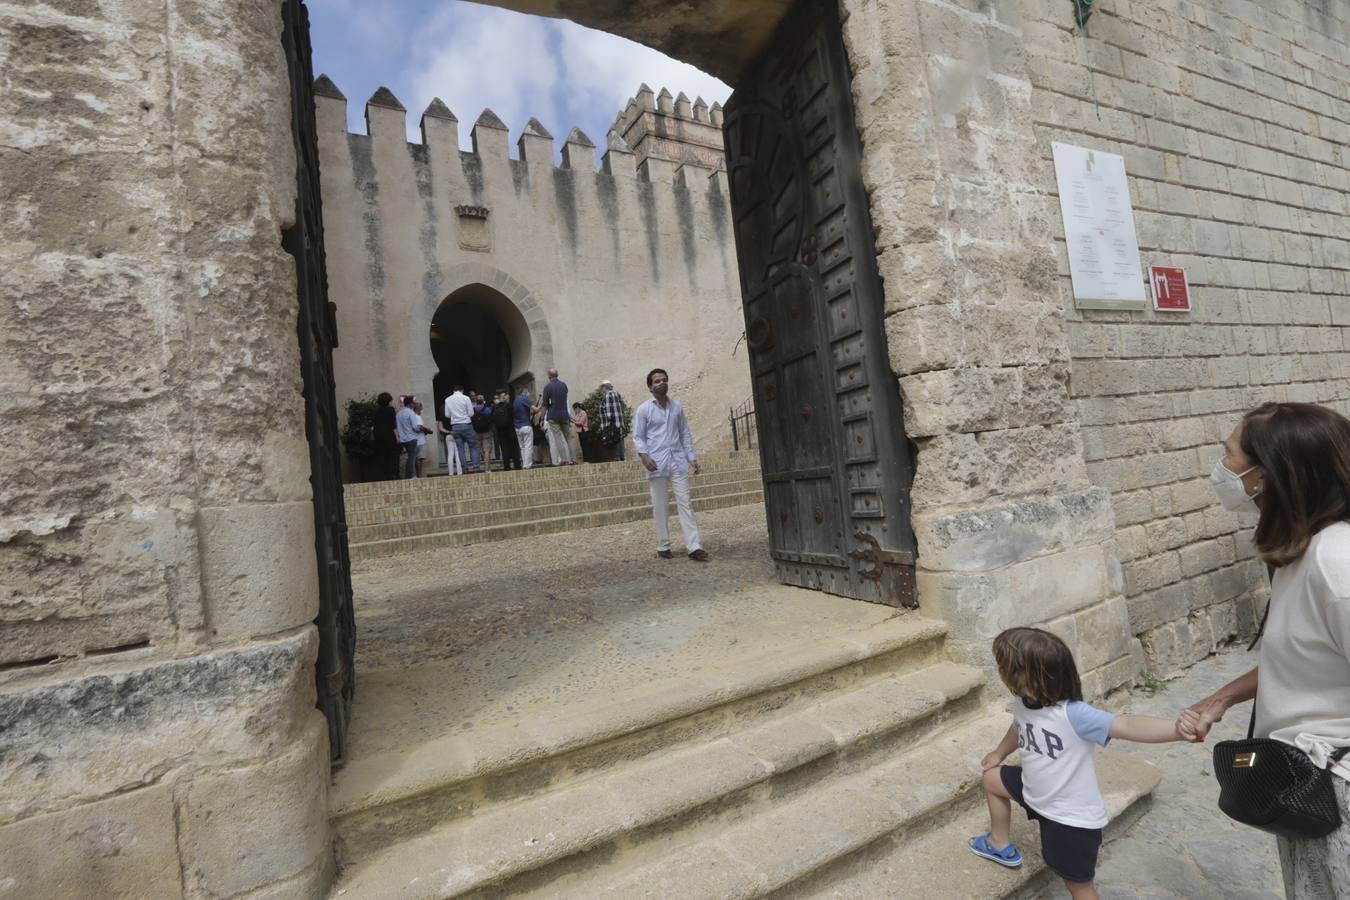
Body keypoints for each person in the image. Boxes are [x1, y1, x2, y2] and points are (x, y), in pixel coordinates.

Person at [1177, 402, 1350, 899]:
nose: (1221, 467)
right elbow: (1308, 653)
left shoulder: (1337, 566)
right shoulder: (1303, 550)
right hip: (1306, 785)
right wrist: (1223, 698)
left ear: (1266, 477)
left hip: (1336, 788)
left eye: (1229, 455)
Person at [971, 627, 1186, 900]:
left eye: (1005, 667)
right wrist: (998, 754)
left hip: (1069, 819)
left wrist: (1177, 730)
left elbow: (1127, 724)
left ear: (1031, 676)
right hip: (1034, 790)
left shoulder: (1074, 714)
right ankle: (998, 843)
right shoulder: (1025, 702)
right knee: (992, 778)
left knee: (1079, 887)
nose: (1001, 671)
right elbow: (1018, 728)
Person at [633, 367, 707, 561]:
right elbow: (638, 437)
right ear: (650, 387)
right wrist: (644, 457)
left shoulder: (677, 407)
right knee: (660, 505)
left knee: (685, 503)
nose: (661, 383)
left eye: (664, 380)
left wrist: (691, 457)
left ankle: (694, 547)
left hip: (677, 461)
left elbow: (684, 433)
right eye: (656, 381)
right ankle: (663, 545)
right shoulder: (643, 410)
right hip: (656, 462)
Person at [541, 368, 575, 466]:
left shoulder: (547, 387)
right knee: (568, 437)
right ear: (558, 374)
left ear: (549, 376)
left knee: (558, 438)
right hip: (564, 415)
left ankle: (564, 460)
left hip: (553, 416)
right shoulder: (564, 385)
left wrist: (542, 418)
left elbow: (544, 404)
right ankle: (572, 459)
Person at [443, 385, 480, 474]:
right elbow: (471, 413)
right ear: (462, 390)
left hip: (455, 426)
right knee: (473, 446)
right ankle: (476, 467)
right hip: (466, 424)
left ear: (454, 391)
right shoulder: (466, 398)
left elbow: (447, 415)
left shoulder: (447, 400)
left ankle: (464, 469)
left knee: (460, 449)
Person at [492, 389, 521, 471]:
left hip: (500, 432)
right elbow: (513, 416)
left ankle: (507, 466)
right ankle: (517, 465)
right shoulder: (508, 406)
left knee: (504, 449)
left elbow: (492, 419)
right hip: (510, 430)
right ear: (502, 397)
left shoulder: (494, 407)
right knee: (514, 448)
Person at [372, 391, 399, 481]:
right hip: (389, 436)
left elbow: (374, 425)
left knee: (382, 456)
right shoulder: (390, 410)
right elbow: (393, 425)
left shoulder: (375, 411)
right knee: (392, 456)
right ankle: (392, 474)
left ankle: (384, 475)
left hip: (379, 437)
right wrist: (397, 438)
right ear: (388, 400)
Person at [598, 378, 626, 462]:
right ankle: (621, 456)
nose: (602, 389)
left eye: (602, 387)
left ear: (605, 387)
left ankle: (616, 457)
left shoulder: (608, 395)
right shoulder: (616, 394)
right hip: (618, 421)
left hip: (611, 422)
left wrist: (609, 421)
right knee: (620, 438)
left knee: (614, 438)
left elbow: (609, 409)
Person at [394, 395, 422, 480]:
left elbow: (397, 426)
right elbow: (415, 427)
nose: (414, 405)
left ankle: (406, 475)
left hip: (403, 439)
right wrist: (420, 428)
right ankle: (410, 476)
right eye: (413, 403)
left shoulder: (399, 413)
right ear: (410, 404)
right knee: (412, 458)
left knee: (408, 457)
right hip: (411, 438)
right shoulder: (411, 413)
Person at [472, 392, 495, 469]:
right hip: (487, 432)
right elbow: (491, 419)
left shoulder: (473, 410)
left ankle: (477, 467)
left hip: (476, 432)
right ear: (483, 401)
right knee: (487, 450)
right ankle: (487, 468)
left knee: (477, 450)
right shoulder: (487, 410)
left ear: (476, 401)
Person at [513, 387, 534, 469]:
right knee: (528, 446)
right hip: (526, 425)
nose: (529, 395)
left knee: (522, 447)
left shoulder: (515, 400)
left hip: (517, 427)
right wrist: (541, 406)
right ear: (525, 392)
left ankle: (524, 464)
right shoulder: (524, 398)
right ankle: (528, 465)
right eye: (528, 392)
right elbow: (534, 409)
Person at [412, 400, 433, 478]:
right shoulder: (415, 416)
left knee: (421, 458)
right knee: (418, 458)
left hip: (422, 439)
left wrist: (426, 430)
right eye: (421, 406)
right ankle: (418, 474)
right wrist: (428, 430)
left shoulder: (419, 416)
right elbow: (419, 427)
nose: (422, 407)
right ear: (418, 407)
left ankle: (419, 474)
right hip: (418, 440)